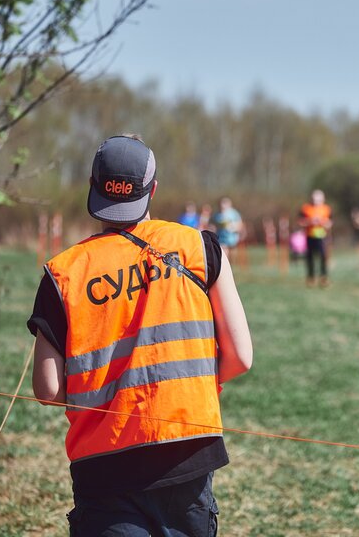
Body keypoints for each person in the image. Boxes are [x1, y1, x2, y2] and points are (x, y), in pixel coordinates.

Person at [28, 134, 253, 536]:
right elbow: (241, 357)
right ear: (153, 189)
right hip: (186, 450)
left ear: (94, 187)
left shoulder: (62, 274)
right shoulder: (199, 248)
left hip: (103, 465)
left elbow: (48, 389)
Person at [299, 189, 333, 287]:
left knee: (322, 257)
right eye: (314, 199)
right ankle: (311, 277)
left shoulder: (326, 209)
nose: (316, 201)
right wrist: (310, 221)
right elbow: (300, 222)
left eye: (318, 199)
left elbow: (330, 223)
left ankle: (323, 277)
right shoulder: (306, 208)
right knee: (310, 257)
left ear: (323, 199)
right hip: (309, 236)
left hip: (321, 235)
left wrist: (322, 222)